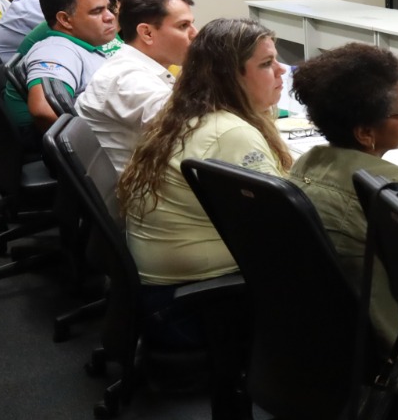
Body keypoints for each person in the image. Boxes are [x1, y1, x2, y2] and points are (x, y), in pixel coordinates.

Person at [120, 19, 291, 318]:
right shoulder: (230, 132)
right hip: (196, 301)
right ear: (229, 76)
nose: (282, 70)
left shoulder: (186, 113)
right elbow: (284, 223)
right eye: (266, 64)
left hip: (165, 286)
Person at [289, 43, 398, 347]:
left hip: (326, 338)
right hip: (397, 344)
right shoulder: (390, 192)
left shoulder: (304, 167)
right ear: (365, 133)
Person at [75, 0, 197, 173]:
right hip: (140, 186)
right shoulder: (127, 79)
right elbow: (190, 129)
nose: (195, 33)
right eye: (183, 26)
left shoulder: (133, 67)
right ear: (147, 33)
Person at [5, 0, 117, 136]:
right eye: (97, 11)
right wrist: (93, 145)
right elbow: (44, 110)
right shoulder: (57, 51)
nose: (110, 16)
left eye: (108, 8)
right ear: (65, 20)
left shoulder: (77, 46)